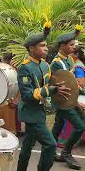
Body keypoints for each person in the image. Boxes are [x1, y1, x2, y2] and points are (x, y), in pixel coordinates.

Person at [16, 25, 70, 171]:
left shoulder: (45, 65)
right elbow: (28, 95)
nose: (46, 48)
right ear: (32, 48)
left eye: (46, 45)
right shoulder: (24, 68)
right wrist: (51, 90)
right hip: (31, 113)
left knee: (27, 146)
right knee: (51, 144)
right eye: (42, 45)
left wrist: (58, 87)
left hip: (40, 111)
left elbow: (50, 84)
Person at [50, 28, 85, 170]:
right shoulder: (57, 63)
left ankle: (51, 151)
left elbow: (73, 82)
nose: (73, 47)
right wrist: (77, 102)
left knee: (57, 125)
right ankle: (66, 152)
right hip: (64, 101)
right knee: (80, 126)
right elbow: (63, 87)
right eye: (71, 44)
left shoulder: (69, 60)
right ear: (62, 46)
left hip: (69, 100)